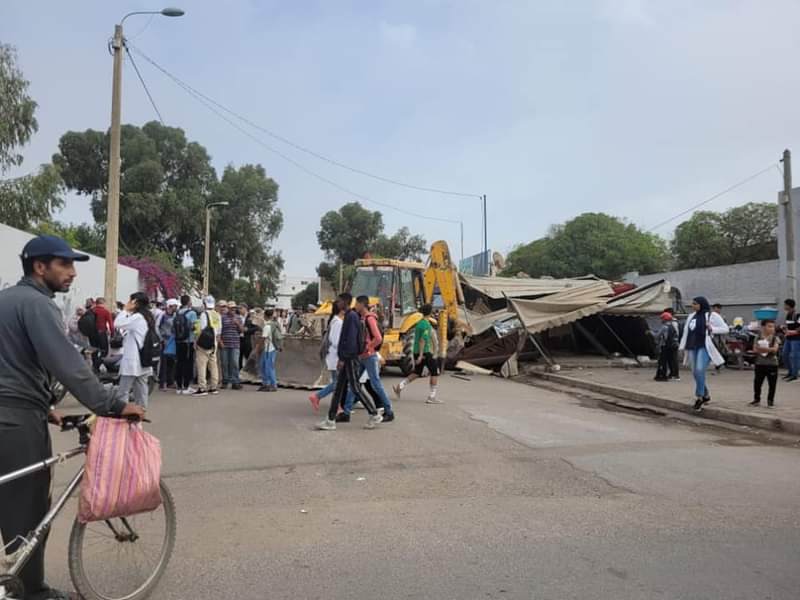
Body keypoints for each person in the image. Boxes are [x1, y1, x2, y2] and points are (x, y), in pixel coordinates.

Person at [0, 235, 143, 600]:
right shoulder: (38, 305)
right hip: (15, 424)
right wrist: (112, 404)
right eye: (65, 265)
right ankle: (29, 591)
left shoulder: (5, 301)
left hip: (19, 409)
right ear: (39, 266)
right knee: (28, 511)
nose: (73, 273)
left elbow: (12, 364)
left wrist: (44, 407)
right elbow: (68, 366)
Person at [315, 293, 383, 430]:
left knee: (355, 388)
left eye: (339, 301)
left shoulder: (351, 317)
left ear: (344, 302)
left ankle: (374, 413)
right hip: (348, 358)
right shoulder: (350, 316)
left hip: (350, 359)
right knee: (339, 388)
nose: (337, 303)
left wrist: (344, 358)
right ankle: (330, 419)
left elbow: (350, 340)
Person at [340, 296, 394, 421]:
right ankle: (346, 411)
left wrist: (369, 348)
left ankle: (389, 410)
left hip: (368, 357)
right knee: (355, 384)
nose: (355, 306)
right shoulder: (363, 318)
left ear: (362, 304)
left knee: (375, 384)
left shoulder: (369, 319)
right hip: (364, 356)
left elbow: (378, 338)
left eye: (357, 304)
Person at [678, 296, 729, 412]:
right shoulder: (691, 316)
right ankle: (706, 395)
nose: (693, 305)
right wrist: (682, 346)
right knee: (695, 373)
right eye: (692, 303)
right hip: (691, 346)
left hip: (704, 346)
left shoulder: (712, 315)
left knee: (700, 370)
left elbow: (725, 328)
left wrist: (712, 328)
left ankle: (699, 396)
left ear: (702, 304)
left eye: (695, 303)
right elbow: (686, 332)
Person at [393, 303, 442, 404]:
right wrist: (421, 355)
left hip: (416, 352)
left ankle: (400, 386)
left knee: (416, 373)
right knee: (435, 372)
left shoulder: (419, 323)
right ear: (430, 312)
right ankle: (432, 396)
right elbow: (422, 341)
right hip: (425, 352)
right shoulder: (426, 325)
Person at [114, 292, 156, 408]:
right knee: (141, 390)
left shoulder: (138, 317)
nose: (127, 303)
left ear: (135, 302)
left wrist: (125, 310)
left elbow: (117, 323)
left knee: (123, 391)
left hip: (134, 360)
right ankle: (141, 413)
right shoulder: (147, 316)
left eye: (130, 301)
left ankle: (123, 414)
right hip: (143, 359)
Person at [309, 299, 344, 411]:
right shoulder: (338, 323)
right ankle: (317, 396)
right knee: (338, 384)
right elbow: (336, 341)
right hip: (336, 356)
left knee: (337, 383)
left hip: (334, 356)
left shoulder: (335, 321)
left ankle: (337, 405)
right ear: (342, 310)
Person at [193, 295, 221, 397]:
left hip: (204, 343)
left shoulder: (204, 314)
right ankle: (214, 386)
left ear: (205, 304)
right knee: (213, 365)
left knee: (201, 365)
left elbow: (202, 330)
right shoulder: (217, 315)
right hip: (214, 343)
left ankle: (202, 387)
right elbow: (219, 331)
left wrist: (196, 341)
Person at [749, 320, 781, 407]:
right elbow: (755, 349)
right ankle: (756, 399)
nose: (772, 329)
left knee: (772, 384)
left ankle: (770, 401)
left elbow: (775, 349)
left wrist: (763, 349)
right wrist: (766, 350)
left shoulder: (775, 338)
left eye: (773, 327)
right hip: (760, 363)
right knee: (757, 382)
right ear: (763, 327)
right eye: (769, 326)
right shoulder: (758, 337)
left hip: (772, 364)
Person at [174, 295, 198, 395]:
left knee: (179, 363)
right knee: (188, 364)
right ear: (188, 302)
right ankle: (186, 386)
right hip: (188, 341)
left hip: (178, 341)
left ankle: (179, 387)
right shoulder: (192, 313)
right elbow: (194, 327)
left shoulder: (177, 313)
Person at [257, 309, 283, 391]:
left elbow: (263, 339)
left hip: (269, 349)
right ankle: (266, 384)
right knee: (264, 366)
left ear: (265, 316)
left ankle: (273, 385)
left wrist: (258, 349)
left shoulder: (267, 326)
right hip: (271, 348)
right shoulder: (275, 324)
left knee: (268, 367)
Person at [220, 301, 244, 390]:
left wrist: (237, 323)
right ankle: (225, 381)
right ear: (228, 309)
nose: (233, 310)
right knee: (225, 363)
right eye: (231, 308)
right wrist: (220, 341)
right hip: (225, 344)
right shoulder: (222, 318)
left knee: (234, 363)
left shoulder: (238, 318)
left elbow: (242, 331)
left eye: (234, 309)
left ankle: (235, 381)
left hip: (235, 344)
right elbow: (219, 331)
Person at [157, 298, 178, 391]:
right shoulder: (162, 315)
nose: (176, 308)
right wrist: (161, 339)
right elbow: (156, 327)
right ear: (170, 306)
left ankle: (170, 381)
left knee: (172, 362)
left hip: (173, 340)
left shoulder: (175, 315)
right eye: (175, 306)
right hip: (164, 341)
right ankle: (162, 383)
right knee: (164, 363)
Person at [654, 312, 677, 382]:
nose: (661, 320)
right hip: (671, 347)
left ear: (664, 319)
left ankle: (662, 376)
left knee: (662, 362)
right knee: (669, 361)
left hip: (664, 346)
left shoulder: (664, 327)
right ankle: (671, 374)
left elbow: (657, 336)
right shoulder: (672, 327)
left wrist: (650, 332)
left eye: (662, 318)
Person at [781, 298, 799, 381]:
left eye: (785, 305)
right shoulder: (788, 315)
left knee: (794, 356)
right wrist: (784, 328)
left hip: (796, 339)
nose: (784, 306)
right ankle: (790, 372)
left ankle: (794, 374)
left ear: (788, 305)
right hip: (788, 338)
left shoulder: (797, 315)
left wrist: (791, 332)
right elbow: (788, 326)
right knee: (785, 354)